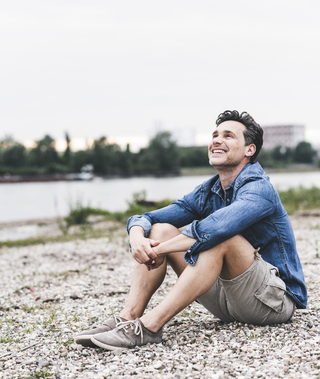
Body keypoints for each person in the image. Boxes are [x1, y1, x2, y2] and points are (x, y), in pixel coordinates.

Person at [75, 110, 307, 351]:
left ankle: (149, 328)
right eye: (215, 134)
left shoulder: (260, 190)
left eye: (228, 136)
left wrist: (159, 250)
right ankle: (127, 317)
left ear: (249, 150)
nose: (217, 140)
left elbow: (218, 228)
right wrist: (137, 238)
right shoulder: (208, 191)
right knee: (161, 229)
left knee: (222, 239)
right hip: (227, 301)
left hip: (272, 302)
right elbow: (148, 217)